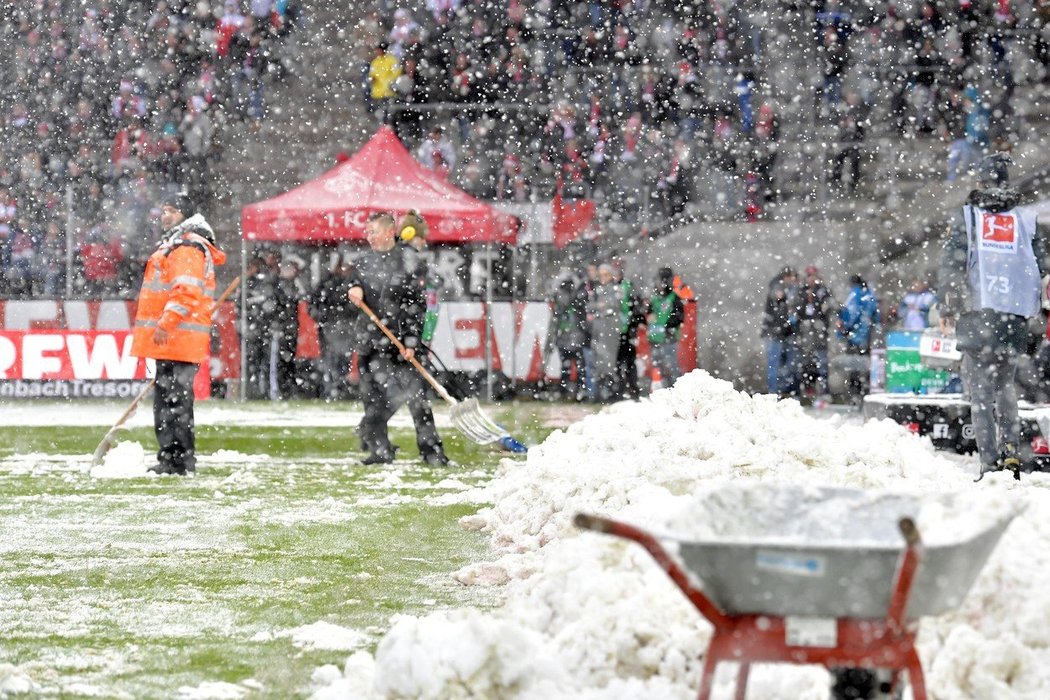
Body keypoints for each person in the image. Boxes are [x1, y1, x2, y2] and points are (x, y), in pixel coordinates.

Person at [939, 153, 1050, 480]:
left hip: (977, 315)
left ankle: (989, 463)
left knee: (981, 394)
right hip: (1013, 317)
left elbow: (953, 262)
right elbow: (1041, 264)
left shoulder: (970, 218)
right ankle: (1012, 453)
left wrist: (947, 303)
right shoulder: (1024, 220)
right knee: (1005, 387)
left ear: (980, 182)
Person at [131, 191, 226, 475]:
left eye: (172, 210)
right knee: (168, 401)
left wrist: (166, 323)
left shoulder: (187, 247)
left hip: (178, 336)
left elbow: (186, 291)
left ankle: (179, 459)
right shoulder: (177, 244)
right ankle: (170, 457)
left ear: (186, 214)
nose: (165, 215)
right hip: (174, 338)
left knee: (174, 402)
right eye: (163, 210)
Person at [348, 212, 443, 465]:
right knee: (372, 398)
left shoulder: (409, 261)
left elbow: (417, 305)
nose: (369, 237)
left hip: (401, 342)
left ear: (390, 232)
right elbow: (351, 284)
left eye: (374, 232)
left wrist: (412, 342)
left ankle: (431, 451)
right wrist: (354, 288)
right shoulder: (363, 262)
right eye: (367, 232)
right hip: (370, 341)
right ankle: (380, 450)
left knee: (417, 398)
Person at [395, 209, 450, 465]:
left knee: (394, 398)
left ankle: (377, 444)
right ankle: (431, 451)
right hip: (406, 340)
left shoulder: (399, 259)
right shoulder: (409, 261)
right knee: (417, 399)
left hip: (401, 339)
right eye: (421, 237)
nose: (424, 242)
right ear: (410, 235)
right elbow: (411, 305)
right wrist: (412, 340)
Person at [837, 274, 881, 401]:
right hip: (866, 335)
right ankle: (864, 391)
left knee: (853, 365)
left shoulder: (855, 294)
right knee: (865, 364)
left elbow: (852, 313)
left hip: (855, 336)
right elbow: (875, 315)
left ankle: (855, 392)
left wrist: (845, 328)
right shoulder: (869, 295)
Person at [792, 266, 835, 397]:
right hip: (805, 332)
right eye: (809, 276)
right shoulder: (802, 290)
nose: (811, 279)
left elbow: (829, 306)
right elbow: (797, 308)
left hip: (819, 331)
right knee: (806, 362)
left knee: (822, 362)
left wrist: (821, 305)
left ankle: (824, 391)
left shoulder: (823, 290)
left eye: (813, 276)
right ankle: (808, 389)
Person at [550, 276, 588, 400]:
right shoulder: (575, 299)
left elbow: (556, 321)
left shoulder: (572, 301)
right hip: (572, 337)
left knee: (569, 367)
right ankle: (575, 390)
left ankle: (569, 390)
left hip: (570, 336)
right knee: (576, 366)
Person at [761, 267, 798, 395]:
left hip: (780, 332)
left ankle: (778, 391)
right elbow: (776, 295)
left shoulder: (782, 286)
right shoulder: (779, 285)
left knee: (780, 365)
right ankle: (774, 392)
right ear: (786, 276)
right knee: (775, 364)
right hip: (775, 332)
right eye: (792, 277)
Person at [646, 267, 685, 389]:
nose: (659, 284)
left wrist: (667, 327)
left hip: (669, 339)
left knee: (672, 367)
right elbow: (649, 313)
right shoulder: (655, 298)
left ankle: (674, 391)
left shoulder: (674, 298)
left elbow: (679, 318)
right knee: (657, 368)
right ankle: (659, 392)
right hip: (655, 339)